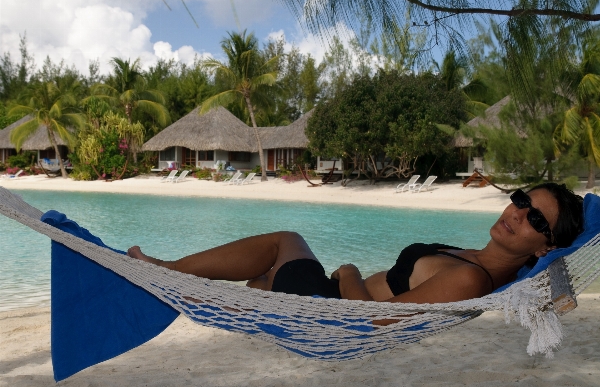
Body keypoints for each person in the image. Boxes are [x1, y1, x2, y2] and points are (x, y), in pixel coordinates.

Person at [128, 183, 583, 305]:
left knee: (286, 240)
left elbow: (380, 321)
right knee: (261, 284)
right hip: (333, 300)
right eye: (521, 200)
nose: (516, 213)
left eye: (536, 219)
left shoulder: (470, 278)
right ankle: (191, 287)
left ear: (544, 247)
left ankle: (169, 270)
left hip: (340, 310)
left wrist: (347, 275)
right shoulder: (476, 257)